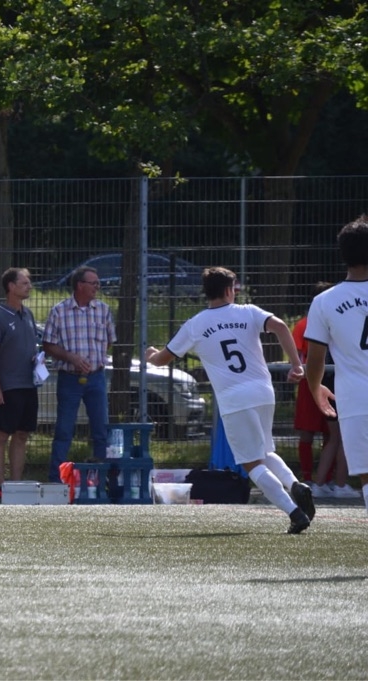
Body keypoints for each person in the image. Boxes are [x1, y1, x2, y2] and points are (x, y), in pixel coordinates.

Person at [145, 266, 315, 534]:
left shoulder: (196, 324)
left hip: (235, 398)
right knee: (264, 451)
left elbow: (162, 359)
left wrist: (151, 355)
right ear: (228, 290)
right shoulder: (248, 311)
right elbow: (281, 326)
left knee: (251, 463)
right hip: (263, 391)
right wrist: (296, 365)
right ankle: (295, 484)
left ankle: (294, 513)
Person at [305, 215, 368, 515]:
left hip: (356, 399)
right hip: (355, 398)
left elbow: (315, 359)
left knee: (366, 474)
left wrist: (315, 388)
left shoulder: (324, 301)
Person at [43, 266, 115, 482]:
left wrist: (94, 360)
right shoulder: (59, 311)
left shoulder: (103, 310)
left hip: (96, 377)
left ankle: (101, 480)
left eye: (98, 283)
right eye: (93, 283)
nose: (97, 287)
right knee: (64, 431)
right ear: (80, 285)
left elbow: (109, 341)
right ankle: (57, 480)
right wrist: (71, 358)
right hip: (69, 379)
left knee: (101, 430)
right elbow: (48, 345)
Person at [294, 282, 359, 499]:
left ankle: (322, 482)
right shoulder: (326, 320)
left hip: (328, 382)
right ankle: (337, 484)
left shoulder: (327, 319)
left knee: (334, 437)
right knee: (339, 436)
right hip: (335, 383)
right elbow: (307, 356)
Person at [0, 267, 40, 491]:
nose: (29, 287)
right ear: (11, 286)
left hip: (29, 385)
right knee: (1, 435)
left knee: (22, 434)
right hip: (9, 386)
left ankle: (16, 485)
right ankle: (0, 485)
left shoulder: (28, 314)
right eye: (24, 283)